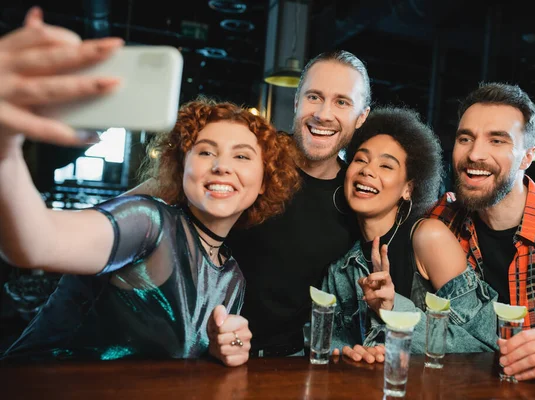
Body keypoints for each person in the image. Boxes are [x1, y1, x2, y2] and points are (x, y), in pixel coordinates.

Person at [0, 9, 301, 365]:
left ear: (264, 181)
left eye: (242, 157)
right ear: (181, 167)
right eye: (206, 151)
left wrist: (219, 351)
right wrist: (5, 146)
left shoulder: (233, 279)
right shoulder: (148, 222)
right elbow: (37, 243)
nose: (222, 166)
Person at [428, 82, 535, 380]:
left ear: (527, 157)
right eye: (465, 138)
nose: (475, 154)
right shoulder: (441, 221)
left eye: (497, 141)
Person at [213, 50, 372, 357]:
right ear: (297, 101)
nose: (324, 114)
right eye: (314, 97)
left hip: (289, 363)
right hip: (205, 343)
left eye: (342, 102)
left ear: (361, 116)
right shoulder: (254, 157)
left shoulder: (357, 196)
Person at [321, 107, 498, 363]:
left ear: (408, 189)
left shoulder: (429, 238)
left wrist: (394, 310)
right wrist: (351, 354)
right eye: (360, 159)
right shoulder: (341, 269)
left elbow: (484, 346)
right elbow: (332, 347)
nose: (367, 171)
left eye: (385, 165)